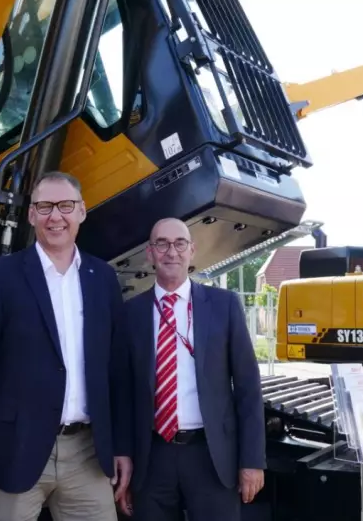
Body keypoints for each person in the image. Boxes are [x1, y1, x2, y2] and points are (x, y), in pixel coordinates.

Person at [0, 171, 133, 520]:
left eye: (65, 206)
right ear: (32, 214)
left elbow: (117, 371)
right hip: (15, 451)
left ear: (82, 211)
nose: (55, 216)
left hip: (87, 455)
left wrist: (121, 446)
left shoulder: (103, 278)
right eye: (45, 206)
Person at [117, 217, 266, 521]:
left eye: (180, 243)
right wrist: (124, 454)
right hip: (152, 457)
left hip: (212, 456)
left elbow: (248, 388)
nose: (171, 252)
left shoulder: (224, 305)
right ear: (150, 253)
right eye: (162, 244)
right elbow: (123, 393)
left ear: (192, 250)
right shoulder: (131, 313)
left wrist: (252, 460)